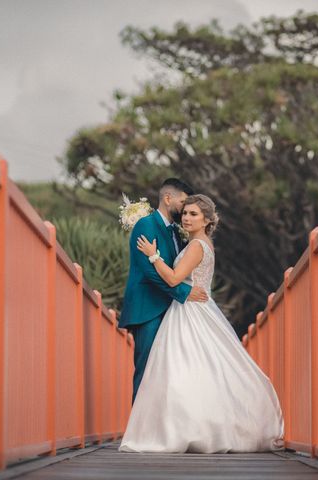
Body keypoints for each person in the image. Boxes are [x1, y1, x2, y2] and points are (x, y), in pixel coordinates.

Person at [119, 194, 284, 453]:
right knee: (198, 369)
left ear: (207, 220)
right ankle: (198, 427)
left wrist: (153, 256)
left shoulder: (197, 246)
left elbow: (174, 279)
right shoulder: (201, 243)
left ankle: (189, 430)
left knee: (182, 368)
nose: (186, 217)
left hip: (190, 313)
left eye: (193, 214)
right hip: (196, 308)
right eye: (185, 213)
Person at [118, 178, 209, 404]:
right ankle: (139, 433)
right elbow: (150, 273)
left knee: (167, 375)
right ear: (168, 199)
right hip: (148, 310)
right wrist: (184, 293)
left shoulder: (175, 232)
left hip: (170, 313)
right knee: (147, 370)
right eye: (182, 202)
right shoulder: (146, 225)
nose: (185, 209)